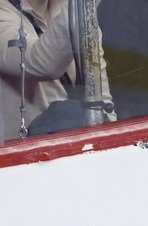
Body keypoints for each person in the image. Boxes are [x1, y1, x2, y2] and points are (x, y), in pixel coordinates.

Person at [0, 0, 113, 141]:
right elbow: (40, 63)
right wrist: (82, 6)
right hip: (30, 156)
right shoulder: (4, 12)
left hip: (83, 146)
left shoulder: (68, 6)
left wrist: (112, 134)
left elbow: (100, 88)